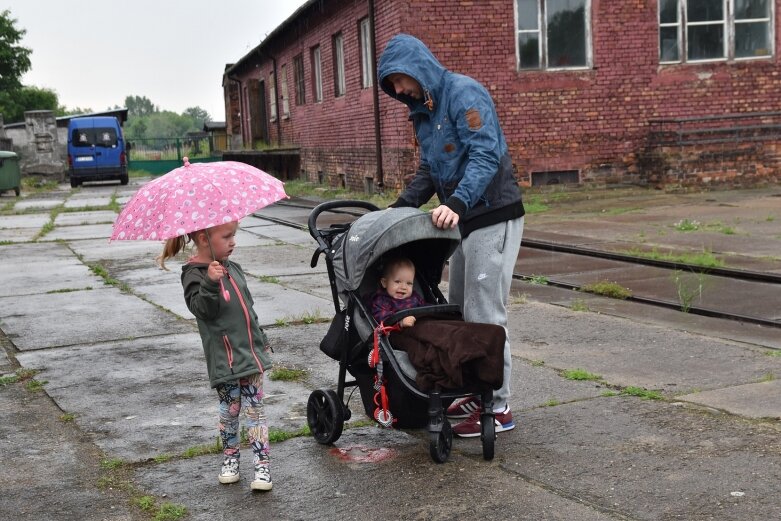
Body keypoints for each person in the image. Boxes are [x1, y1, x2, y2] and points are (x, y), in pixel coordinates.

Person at [378, 34, 525, 437]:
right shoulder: (423, 112)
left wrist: (457, 203)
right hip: (463, 222)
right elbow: (430, 170)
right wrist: (398, 208)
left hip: (491, 214)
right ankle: (472, 387)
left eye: (400, 80)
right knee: (459, 310)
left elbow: (485, 153)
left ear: (418, 67)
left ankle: (497, 406)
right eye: (391, 87)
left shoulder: (464, 94)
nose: (399, 90)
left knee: (484, 314)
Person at [157, 221, 273, 491]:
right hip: (225, 359)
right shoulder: (194, 275)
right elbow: (202, 309)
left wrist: (261, 340)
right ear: (204, 238)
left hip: (250, 355)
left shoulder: (233, 268)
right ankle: (231, 458)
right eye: (227, 236)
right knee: (230, 411)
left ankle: (262, 466)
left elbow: (249, 311)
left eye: (234, 236)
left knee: (256, 411)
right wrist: (210, 281)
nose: (233, 242)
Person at [370, 257, 425, 328]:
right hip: (397, 332)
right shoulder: (381, 300)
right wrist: (400, 322)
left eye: (409, 283)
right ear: (384, 283)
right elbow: (381, 318)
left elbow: (425, 307)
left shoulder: (415, 297)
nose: (403, 287)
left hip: (419, 325)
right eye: (397, 282)